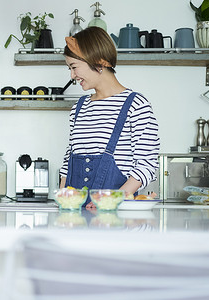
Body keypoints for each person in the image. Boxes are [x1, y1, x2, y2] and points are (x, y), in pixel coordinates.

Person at [59, 26, 160, 209]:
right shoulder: (79, 108)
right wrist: (64, 201)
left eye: (74, 67)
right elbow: (69, 161)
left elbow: (147, 164)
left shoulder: (136, 105)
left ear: (98, 62)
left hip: (117, 216)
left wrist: (110, 201)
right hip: (74, 215)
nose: (72, 76)